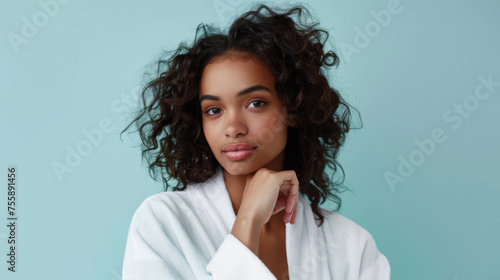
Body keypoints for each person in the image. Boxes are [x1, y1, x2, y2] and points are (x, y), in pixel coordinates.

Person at [121, 3, 390, 279]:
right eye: (214, 110)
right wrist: (246, 223)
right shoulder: (163, 224)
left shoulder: (352, 247)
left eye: (255, 103)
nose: (233, 128)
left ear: (293, 109)